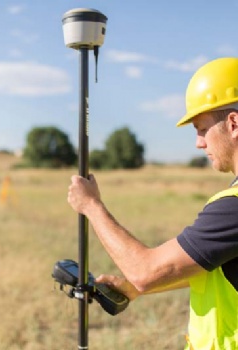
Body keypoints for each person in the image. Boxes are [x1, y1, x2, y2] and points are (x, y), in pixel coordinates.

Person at [67, 57, 238, 349]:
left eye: (200, 128)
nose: (199, 143)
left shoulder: (233, 208)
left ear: (233, 124)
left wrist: (91, 206)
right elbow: (217, 267)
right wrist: (135, 289)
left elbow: (145, 272)